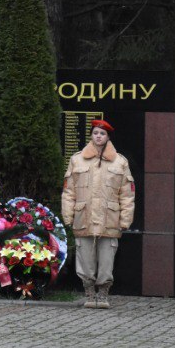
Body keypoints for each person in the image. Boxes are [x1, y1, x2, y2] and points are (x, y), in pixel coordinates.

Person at [60, 119, 135, 309]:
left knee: (107, 257)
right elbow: (69, 191)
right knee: (84, 255)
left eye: (102, 133)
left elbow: (127, 194)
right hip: (83, 216)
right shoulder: (77, 159)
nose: (98, 136)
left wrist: (125, 219)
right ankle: (89, 292)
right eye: (95, 133)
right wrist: (67, 215)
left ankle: (103, 293)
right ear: (91, 135)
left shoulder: (120, 161)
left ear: (108, 137)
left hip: (109, 218)